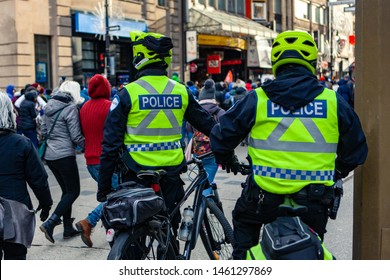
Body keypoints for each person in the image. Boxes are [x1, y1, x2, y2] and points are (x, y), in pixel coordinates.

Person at [209, 30, 368, 260]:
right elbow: (357, 152)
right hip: (313, 202)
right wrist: (336, 171)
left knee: (243, 231)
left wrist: (229, 160)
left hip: (262, 200)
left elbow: (220, 137)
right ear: (312, 63)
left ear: (276, 63)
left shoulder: (257, 98)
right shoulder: (333, 101)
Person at [97, 31, 216, 237]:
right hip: (170, 175)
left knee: (132, 231)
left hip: (135, 173)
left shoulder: (128, 93)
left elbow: (110, 145)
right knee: (169, 228)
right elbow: (210, 127)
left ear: (139, 56)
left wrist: (104, 186)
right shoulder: (181, 91)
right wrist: (228, 154)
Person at [0, 92, 53, 259]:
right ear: (9, 112)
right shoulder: (21, 143)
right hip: (14, 212)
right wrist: (46, 203)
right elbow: (38, 179)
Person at [75, 74, 118, 248]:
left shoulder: (84, 107)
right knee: (116, 195)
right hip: (107, 159)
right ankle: (89, 222)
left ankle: (109, 228)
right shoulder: (110, 106)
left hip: (90, 160)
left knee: (110, 195)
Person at [39, 80, 85, 243]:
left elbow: (43, 130)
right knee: (73, 191)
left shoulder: (49, 104)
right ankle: (51, 223)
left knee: (67, 192)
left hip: (51, 156)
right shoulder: (70, 108)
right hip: (65, 155)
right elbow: (75, 135)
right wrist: (88, 146)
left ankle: (67, 229)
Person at [187, 79, 225, 184]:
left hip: (197, 150)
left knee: (202, 177)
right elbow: (226, 129)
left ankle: (204, 194)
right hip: (212, 150)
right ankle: (205, 197)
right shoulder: (219, 111)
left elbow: (188, 128)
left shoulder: (195, 111)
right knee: (207, 183)